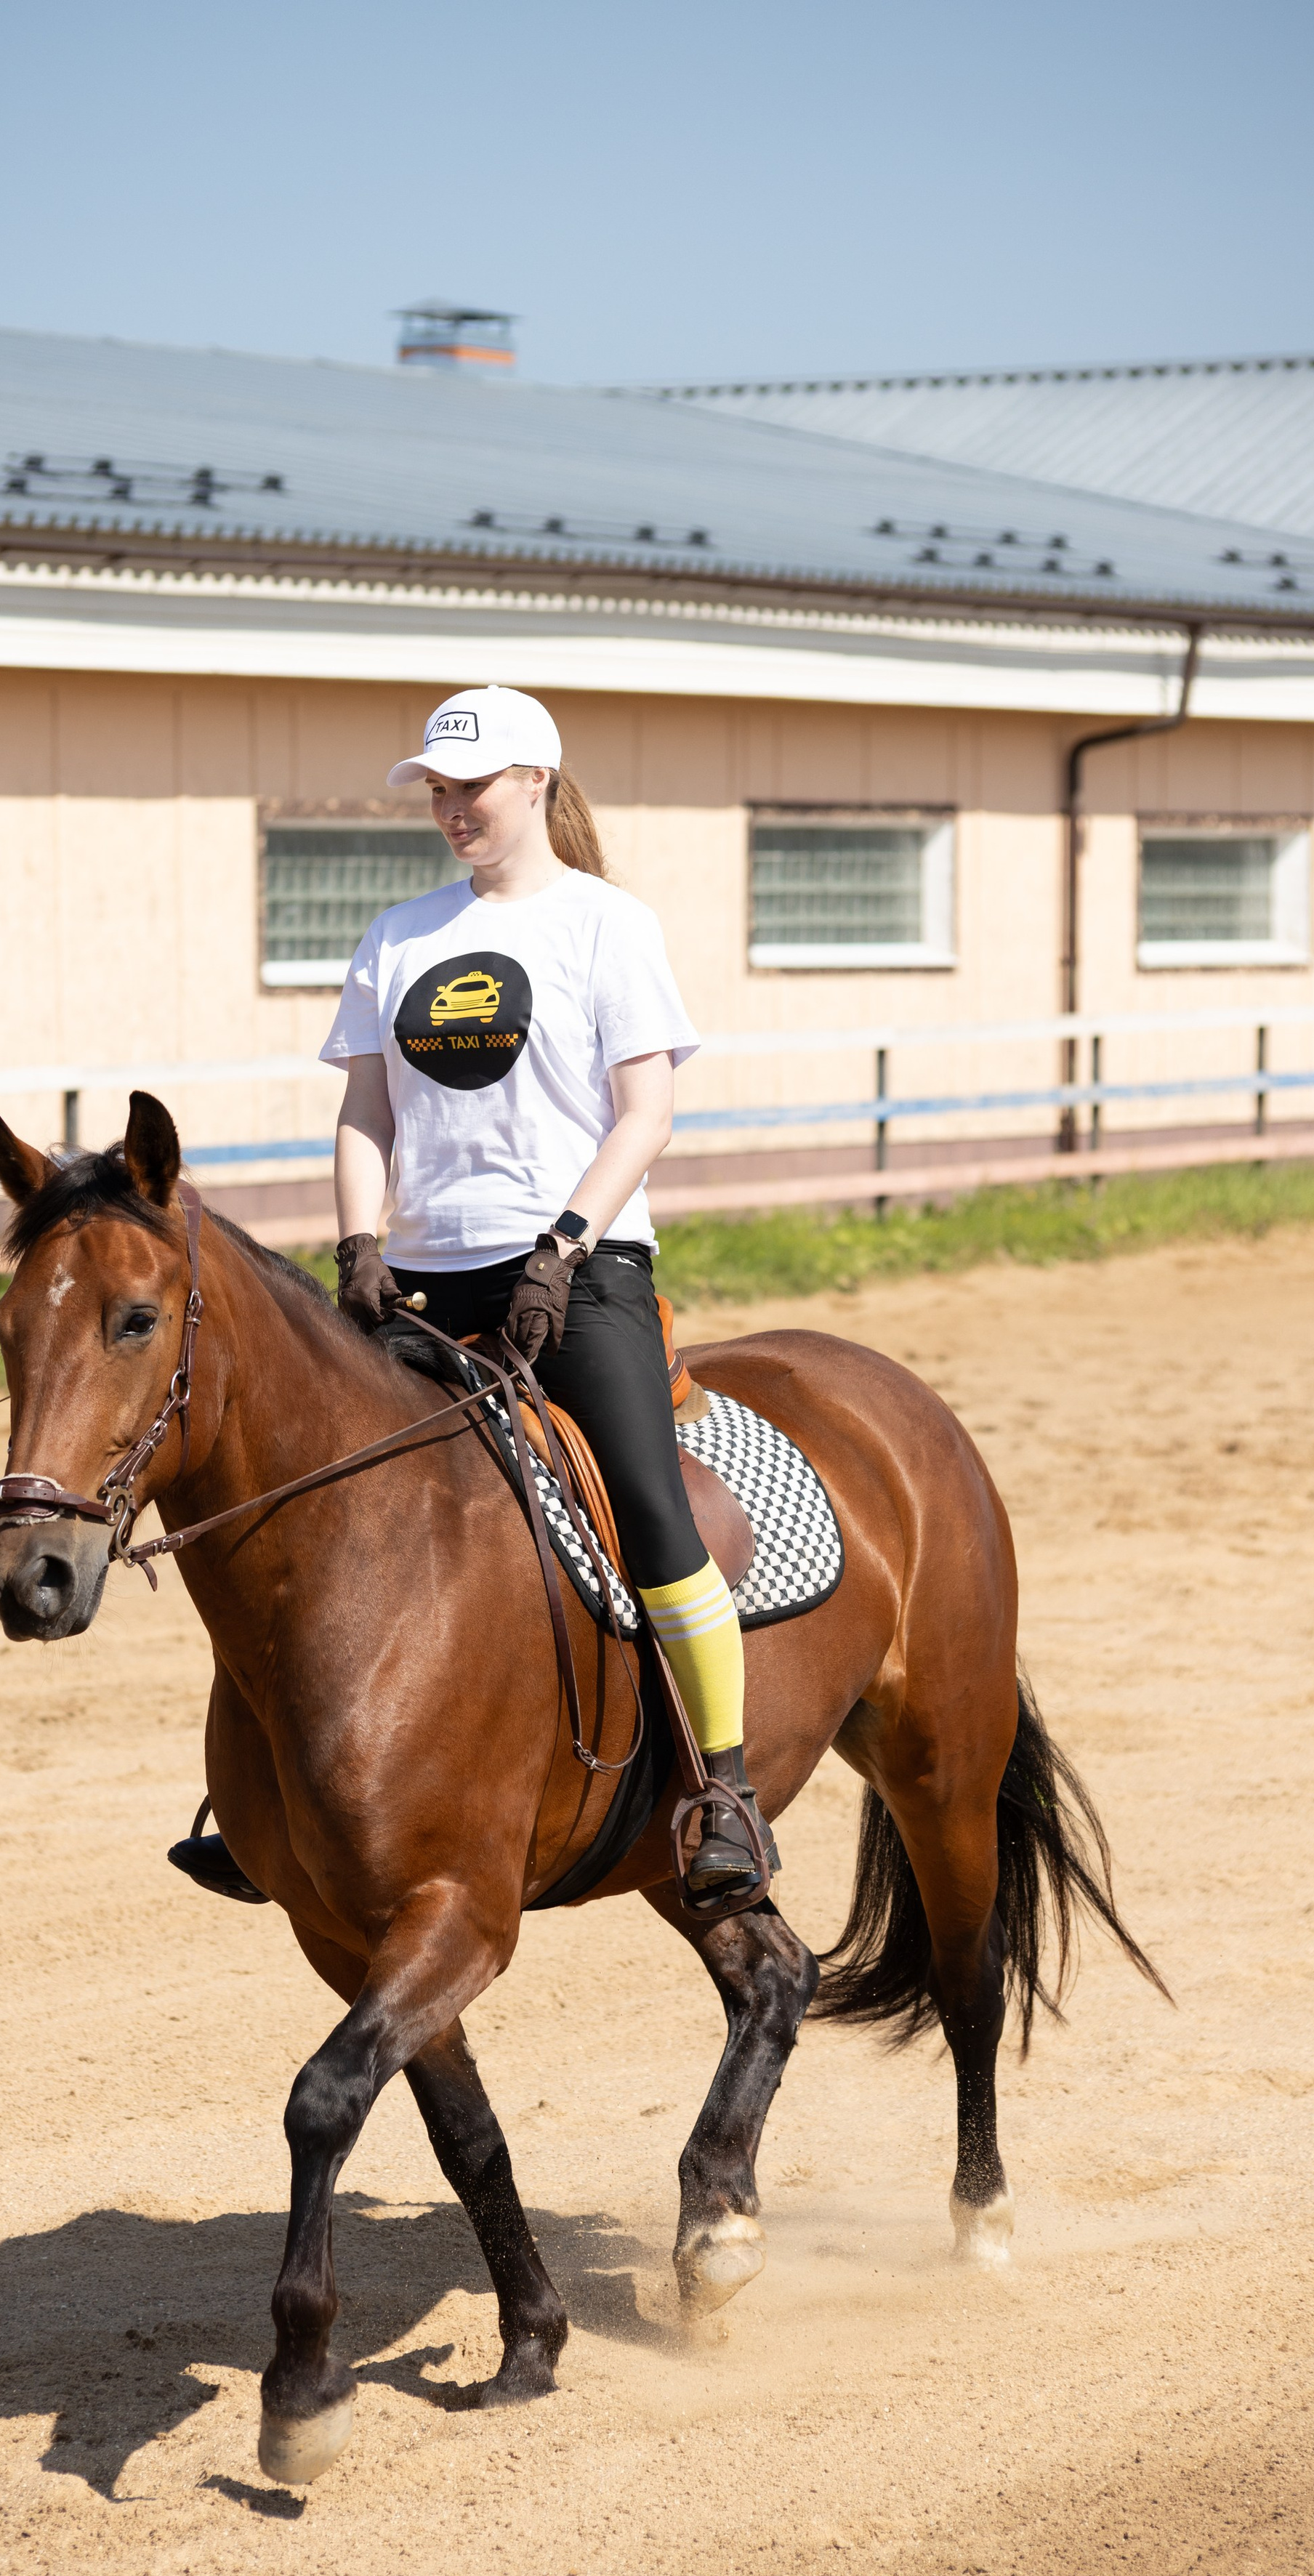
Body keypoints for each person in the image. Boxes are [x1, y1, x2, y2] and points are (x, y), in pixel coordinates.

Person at [320, 684, 775, 1905]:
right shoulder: (398, 933)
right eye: (438, 787)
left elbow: (648, 1112)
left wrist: (565, 1245)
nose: (453, 806)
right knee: (311, 1500)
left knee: (644, 1503)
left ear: (536, 784)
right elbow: (366, 1109)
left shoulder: (604, 924)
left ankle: (722, 1788)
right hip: (416, 1280)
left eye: (475, 784)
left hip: (572, 1272)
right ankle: (282, 1786)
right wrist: (359, 1244)